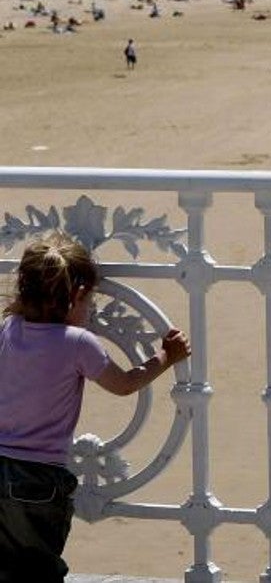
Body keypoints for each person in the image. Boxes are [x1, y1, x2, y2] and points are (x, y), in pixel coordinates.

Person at [0, 233, 191, 582]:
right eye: (88, 301)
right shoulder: (78, 343)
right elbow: (124, 384)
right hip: (40, 479)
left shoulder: (9, 329)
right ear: (76, 296)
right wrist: (166, 356)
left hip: (1, 465)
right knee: (40, 569)